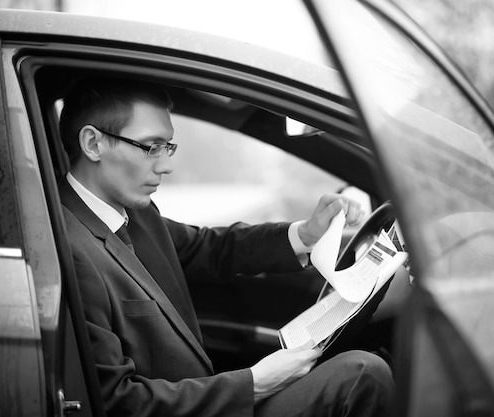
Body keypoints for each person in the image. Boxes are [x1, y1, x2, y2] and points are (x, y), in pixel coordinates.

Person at [58, 77, 393, 417]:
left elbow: (209, 249)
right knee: (364, 373)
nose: (166, 165)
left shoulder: (135, 213)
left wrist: (305, 234)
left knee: (361, 373)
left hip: (208, 400)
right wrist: (254, 383)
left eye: (168, 147)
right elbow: (115, 403)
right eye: (150, 147)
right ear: (93, 143)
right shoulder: (67, 247)